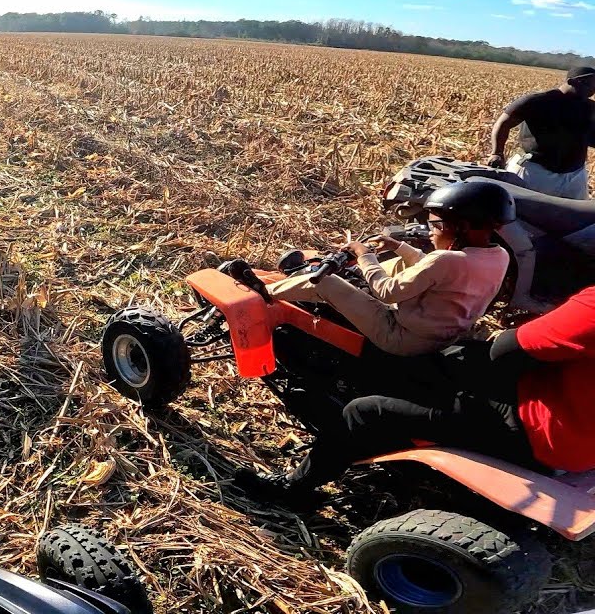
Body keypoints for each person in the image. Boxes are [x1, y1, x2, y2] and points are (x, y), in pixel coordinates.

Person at [236, 285, 595, 503]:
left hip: (541, 433)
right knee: (447, 363)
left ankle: (294, 491)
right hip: (577, 434)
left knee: (365, 411)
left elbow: (504, 354)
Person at [265, 181, 513, 356]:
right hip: (442, 336)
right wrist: (398, 247)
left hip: (402, 337)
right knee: (398, 262)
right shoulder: (499, 257)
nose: (431, 232)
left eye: (436, 224)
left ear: (461, 227)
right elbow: (440, 272)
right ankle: (348, 280)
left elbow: (388, 292)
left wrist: (365, 256)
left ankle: (263, 292)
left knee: (326, 283)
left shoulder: (445, 260)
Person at [486, 65, 595, 200]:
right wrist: (497, 153)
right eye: (591, 84)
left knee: (574, 218)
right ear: (573, 82)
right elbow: (503, 124)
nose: (593, 90)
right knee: (523, 214)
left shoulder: (590, 108)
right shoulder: (537, 101)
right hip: (534, 172)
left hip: (574, 175)